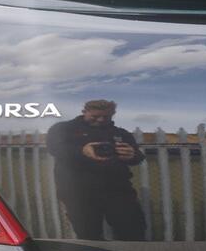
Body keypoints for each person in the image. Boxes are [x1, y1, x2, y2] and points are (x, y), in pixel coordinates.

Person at [46, 99, 146, 240]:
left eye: (106, 117)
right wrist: (82, 151)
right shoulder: (64, 129)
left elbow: (138, 157)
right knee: (88, 234)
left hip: (118, 190)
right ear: (84, 112)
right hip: (78, 192)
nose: (100, 120)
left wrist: (132, 154)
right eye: (95, 116)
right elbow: (54, 148)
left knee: (133, 230)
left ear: (112, 114)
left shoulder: (120, 133)